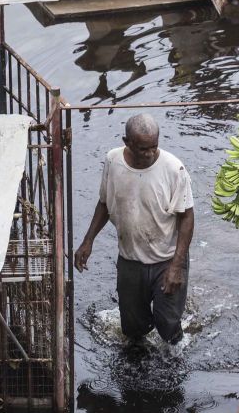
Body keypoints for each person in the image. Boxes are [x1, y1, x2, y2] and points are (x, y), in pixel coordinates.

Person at [75, 114, 194, 346]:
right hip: (130, 259)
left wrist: (177, 265)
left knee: (167, 325)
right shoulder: (113, 161)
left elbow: (187, 216)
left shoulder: (174, 169)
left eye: (154, 147)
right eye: (142, 149)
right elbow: (104, 203)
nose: (149, 154)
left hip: (166, 259)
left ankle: (178, 351)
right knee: (133, 329)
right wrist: (88, 241)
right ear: (127, 142)